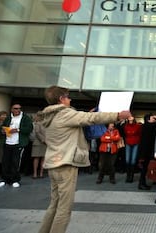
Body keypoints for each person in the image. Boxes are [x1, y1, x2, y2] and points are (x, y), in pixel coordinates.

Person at [37, 85, 131, 233]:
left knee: (54, 204)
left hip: (52, 162)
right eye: (68, 97)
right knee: (64, 209)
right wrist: (118, 115)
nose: (70, 99)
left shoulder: (48, 116)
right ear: (61, 99)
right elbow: (92, 118)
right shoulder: (65, 113)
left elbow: (44, 137)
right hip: (66, 164)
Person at [0, 104, 33, 188]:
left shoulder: (25, 118)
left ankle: (15, 179)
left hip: (18, 143)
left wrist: (18, 130)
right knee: (5, 161)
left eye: (19, 108)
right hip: (7, 142)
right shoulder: (8, 117)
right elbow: (3, 127)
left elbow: (29, 129)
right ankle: (4, 179)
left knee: (15, 162)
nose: (18, 110)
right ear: (11, 109)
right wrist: (3, 130)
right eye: (15, 108)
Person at [138, 113, 156, 190]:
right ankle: (141, 184)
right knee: (144, 168)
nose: (154, 120)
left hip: (146, 151)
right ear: (148, 119)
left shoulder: (147, 126)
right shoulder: (147, 126)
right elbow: (155, 124)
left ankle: (144, 182)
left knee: (147, 168)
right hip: (145, 152)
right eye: (153, 118)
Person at [123, 116, 142, 183]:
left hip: (135, 143)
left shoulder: (138, 126)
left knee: (133, 160)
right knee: (127, 160)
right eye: (129, 117)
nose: (130, 118)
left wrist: (138, 141)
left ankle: (131, 177)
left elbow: (140, 134)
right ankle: (128, 176)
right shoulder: (125, 126)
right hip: (128, 143)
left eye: (131, 117)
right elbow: (125, 134)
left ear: (134, 118)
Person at [31, 114, 46, 179]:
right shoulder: (37, 124)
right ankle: (35, 174)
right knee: (36, 158)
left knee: (43, 158)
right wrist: (43, 140)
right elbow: (37, 132)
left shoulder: (47, 124)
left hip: (46, 143)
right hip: (38, 142)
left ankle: (41, 173)